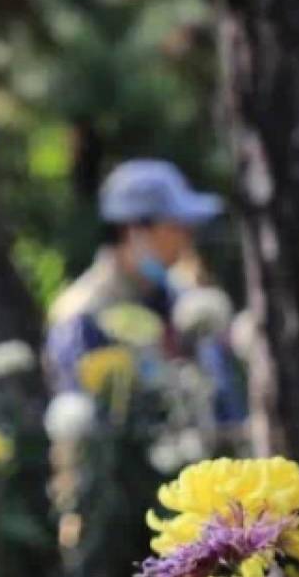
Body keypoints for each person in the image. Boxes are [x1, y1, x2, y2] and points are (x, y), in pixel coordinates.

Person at [45, 156, 247, 424]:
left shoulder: (182, 299)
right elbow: (88, 422)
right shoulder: (83, 314)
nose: (187, 239)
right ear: (134, 230)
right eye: (176, 226)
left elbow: (223, 401)